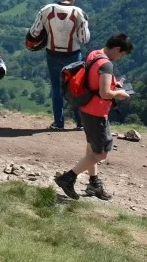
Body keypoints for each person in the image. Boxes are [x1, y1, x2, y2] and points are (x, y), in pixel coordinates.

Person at [54, 33, 134, 201]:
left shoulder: (95, 54)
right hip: (97, 112)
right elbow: (105, 94)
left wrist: (113, 83)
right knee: (101, 153)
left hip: (85, 107)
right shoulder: (106, 64)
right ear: (118, 49)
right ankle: (68, 178)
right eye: (122, 54)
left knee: (92, 147)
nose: (120, 58)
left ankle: (94, 184)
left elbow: (94, 81)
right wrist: (118, 92)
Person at [29, 0, 90, 130]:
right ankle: (80, 122)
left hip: (52, 53)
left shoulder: (46, 9)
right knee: (75, 87)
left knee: (56, 88)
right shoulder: (78, 12)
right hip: (73, 55)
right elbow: (84, 39)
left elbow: (34, 32)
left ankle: (58, 122)